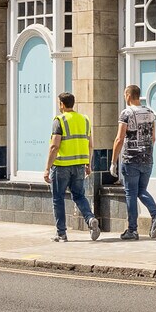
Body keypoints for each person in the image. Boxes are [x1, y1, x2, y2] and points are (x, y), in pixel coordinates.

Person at [109, 83, 156, 240]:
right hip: (147, 159)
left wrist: (114, 161)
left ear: (128, 95)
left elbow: (119, 138)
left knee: (131, 193)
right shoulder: (150, 112)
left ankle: (132, 230)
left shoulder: (126, 113)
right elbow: (152, 138)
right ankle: (155, 214)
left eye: (125, 95)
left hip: (131, 159)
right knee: (141, 191)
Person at [46, 91, 100, 242]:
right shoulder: (85, 119)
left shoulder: (59, 120)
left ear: (62, 104)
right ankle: (90, 219)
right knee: (79, 195)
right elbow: (90, 145)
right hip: (79, 166)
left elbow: (54, 146)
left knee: (58, 198)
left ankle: (61, 233)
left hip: (62, 165)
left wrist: (47, 168)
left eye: (59, 104)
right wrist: (88, 164)